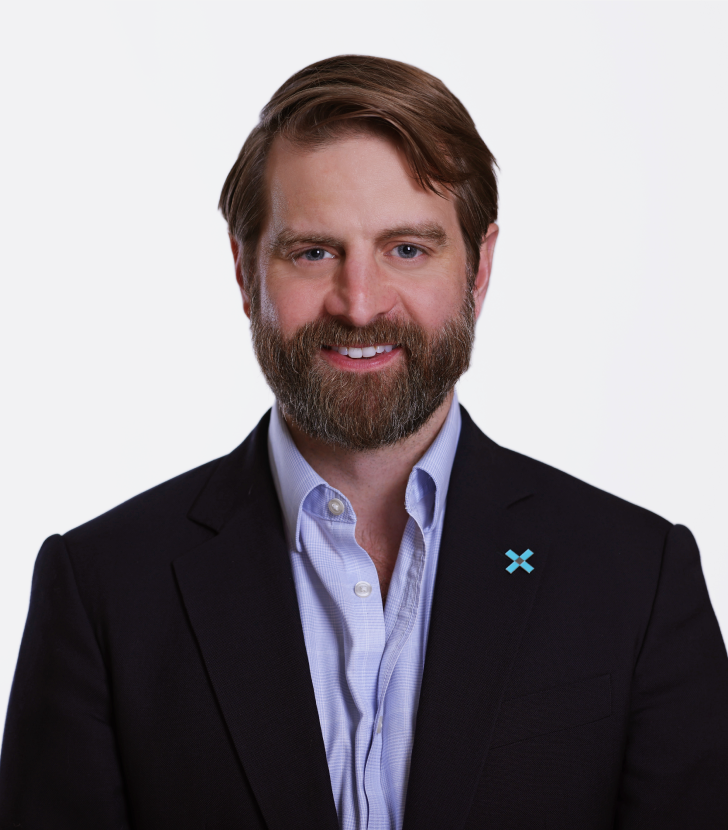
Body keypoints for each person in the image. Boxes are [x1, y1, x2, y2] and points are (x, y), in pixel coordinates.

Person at [1, 54, 727, 830]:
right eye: (313, 251)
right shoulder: (102, 591)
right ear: (246, 275)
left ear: (479, 270)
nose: (360, 303)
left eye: (407, 249)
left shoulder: (638, 578)